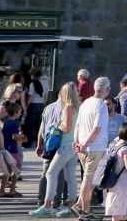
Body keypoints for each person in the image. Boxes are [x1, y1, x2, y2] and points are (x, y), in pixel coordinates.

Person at [30, 84, 78, 218]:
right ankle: (71, 205)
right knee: (70, 176)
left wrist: (56, 124)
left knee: (51, 173)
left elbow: (67, 128)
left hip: (65, 145)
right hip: (73, 145)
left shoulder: (68, 107)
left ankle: (47, 205)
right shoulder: (77, 107)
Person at [72, 77, 111, 218]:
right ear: (107, 90)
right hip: (94, 147)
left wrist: (77, 141)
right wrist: (84, 143)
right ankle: (85, 211)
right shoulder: (101, 105)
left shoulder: (85, 103)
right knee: (89, 181)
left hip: (83, 147)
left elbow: (77, 125)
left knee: (88, 179)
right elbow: (96, 129)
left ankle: (80, 206)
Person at [98, 125, 127, 221]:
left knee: (120, 211)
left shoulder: (113, 145)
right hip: (123, 184)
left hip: (112, 182)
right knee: (123, 211)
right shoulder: (126, 149)